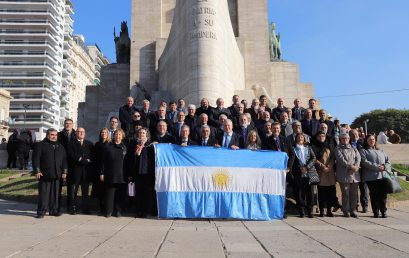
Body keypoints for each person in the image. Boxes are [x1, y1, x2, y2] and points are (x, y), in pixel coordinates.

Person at [33, 128, 68, 218]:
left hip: (57, 174)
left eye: (55, 135)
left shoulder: (60, 146)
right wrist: (37, 171)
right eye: (52, 134)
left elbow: (64, 161)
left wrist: (64, 172)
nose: (54, 136)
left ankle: (54, 210)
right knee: (44, 194)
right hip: (45, 174)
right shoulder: (40, 145)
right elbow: (36, 159)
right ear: (47, 135)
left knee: (55, 194)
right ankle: (41, 212)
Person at [359, 135, 391, 218]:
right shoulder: (363, 150)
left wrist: (384, 167)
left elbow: (388, 161)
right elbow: (364, 162)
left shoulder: (380, 150)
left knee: (383, 195)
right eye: (370, 139)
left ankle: (383, 211)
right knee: (374, 194)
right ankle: (376, 212)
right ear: (366, 141)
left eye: (373, 139)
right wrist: (377, 167)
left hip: (383, 176)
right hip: (371, 177)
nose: (372, 141)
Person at [100, 129, 127, 217]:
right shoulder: (108, 146)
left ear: (122, 136)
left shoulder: (125, 147)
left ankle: (118, 211)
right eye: (116, 134)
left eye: (119, 135)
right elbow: (103, 161)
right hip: (110, 174)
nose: (117, 136)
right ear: (113, 136)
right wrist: (102, 173)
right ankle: (109, 211)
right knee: (109, 194)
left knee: (120, 194)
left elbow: (128, 161)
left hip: (122, 174)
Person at [66, 128, 94, 215]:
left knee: (85, 191)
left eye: (83, 132)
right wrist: (81, 159)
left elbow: (92, 155)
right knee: (73, 191)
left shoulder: (89, 144)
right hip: (75, 171)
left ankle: (85, 208)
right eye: (79, 132)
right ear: (76, 133)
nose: (81, 133)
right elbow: (71, 154)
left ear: (85, 133)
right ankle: (72, 208)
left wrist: (87, 160)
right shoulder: (71, 143)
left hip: (86, 171)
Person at [126, 127, 152, 217]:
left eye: (143, 133)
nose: (142, 134)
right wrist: (130, 173)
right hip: (136, 172)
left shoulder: (150, 146)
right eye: (140, 133)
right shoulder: (134, 145)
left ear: (147, 135)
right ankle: (138, 211)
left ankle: (145, 211)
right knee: (138, 192)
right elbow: (130, 159)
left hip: (146, 173)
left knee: (146, 193)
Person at [334, 132, 361, 218]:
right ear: (340, 140)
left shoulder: (353, 148)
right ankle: (346, 210)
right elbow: (341, 159)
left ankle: (353, 210)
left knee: (354, 193)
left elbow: (358, 157)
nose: (345, 140)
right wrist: (351, 166)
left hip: (354, 174)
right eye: (343, 138)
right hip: (344, 174)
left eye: (347, 138)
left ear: (349, 139)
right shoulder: (337, 148)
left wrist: (356, 166)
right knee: (345, 193)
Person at [312, 131, 337, 217]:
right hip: (320, 172)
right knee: (321, 193)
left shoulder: (329, 146)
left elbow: (333, 157)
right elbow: (314, 159)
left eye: (323, 136)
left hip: (330, 172)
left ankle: (329, 211)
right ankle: (322, 210)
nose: (321, 137)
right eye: (320, 136)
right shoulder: (314, 147)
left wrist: (330, 166)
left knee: (330, 193)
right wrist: (323, 167)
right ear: (317, 137)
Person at [91, 128, 111, 215]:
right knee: (99, 190)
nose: (103, 134)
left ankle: (106, 208)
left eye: (105, 132)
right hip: (97, 169)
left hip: (107, 169)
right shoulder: (97, 144)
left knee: (106, 190)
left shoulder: (110, 144)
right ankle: (100, 208)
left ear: (108, 134)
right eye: (102, 132)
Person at [349, 129, 367, 213]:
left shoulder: (363, 143)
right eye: (352, 134)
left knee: (363, 188)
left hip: (362, 169)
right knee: (354, 189)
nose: (354, 136)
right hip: (352, 169)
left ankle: (364, 205)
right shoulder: (347, 143)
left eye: (356, 134)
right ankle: (355, 205)